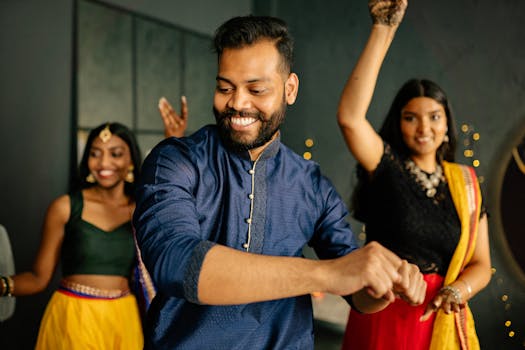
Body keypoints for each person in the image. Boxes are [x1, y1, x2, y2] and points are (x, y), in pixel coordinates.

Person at [133, 15, 427, 350]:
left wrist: (386, 284)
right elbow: (176, 263)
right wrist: (326, 274)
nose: (237, 103)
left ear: (290, 89)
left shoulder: (312, 184)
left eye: (256, 89)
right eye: (225, 88)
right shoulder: (175, 161)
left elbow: (358, 294)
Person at [337, 1, 492, 349]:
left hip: (442, 317)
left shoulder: (465, 184)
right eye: (411, 118)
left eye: (434, 117)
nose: (424, 128)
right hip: (385, 312)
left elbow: (482, 263)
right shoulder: (387, 166)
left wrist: (458, 290)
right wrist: (383, 29)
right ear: (399, 123)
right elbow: (349, 117)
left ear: (447, 125)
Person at [0, 98, 188, 349]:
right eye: (95, 154)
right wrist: (3, 285)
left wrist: (171, 143)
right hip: (73, 316)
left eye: (116, 154)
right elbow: (38, 278)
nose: (104, 163)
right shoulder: (65, 207)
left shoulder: (140, 211)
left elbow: (173, 200)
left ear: (131, 161)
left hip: (124, 318)